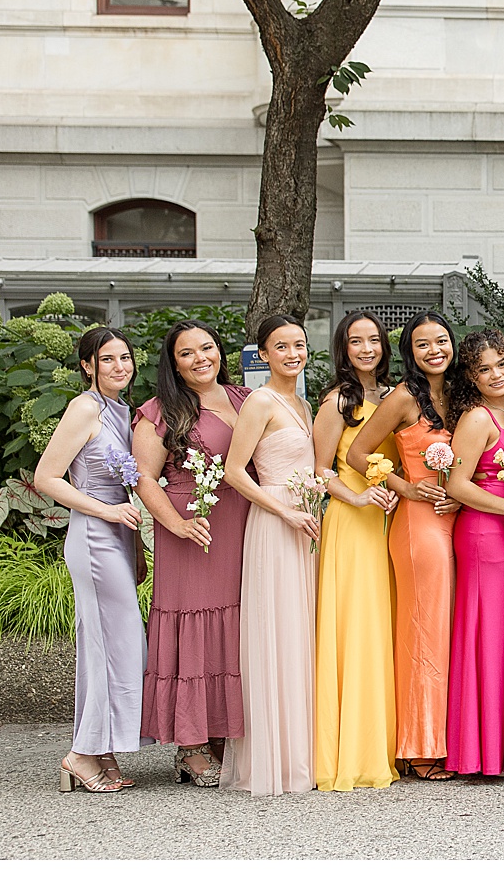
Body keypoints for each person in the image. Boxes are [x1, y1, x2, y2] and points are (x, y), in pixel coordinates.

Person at [132, 319, 253, 786]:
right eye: (188, 352)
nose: (201, 358)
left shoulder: (244, 398)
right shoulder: (161, 410)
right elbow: (144, 476)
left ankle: (222, 731)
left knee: (234, 625)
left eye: (207, 348)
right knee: (195, 621)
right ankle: (191, 745)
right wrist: (177, 524)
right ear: (174, 363)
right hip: (190, 525)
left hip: (241, 520)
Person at [35, 326, 152, 793]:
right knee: (112, 642)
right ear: (88, 365)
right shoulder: (84, 408)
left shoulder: (122, 410)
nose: (119, 366)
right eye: (108, 359)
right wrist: (105, 511)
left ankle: (98, 750)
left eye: (125, 358)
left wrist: (137, 544)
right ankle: (81, 753)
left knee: (118, 644)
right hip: (93, 534)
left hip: (119, 534)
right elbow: (47, 477)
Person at [349, 310, 462, 781]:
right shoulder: (403, 398)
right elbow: (358, 453)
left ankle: (450, 736)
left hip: (459, 519)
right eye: (422, 344)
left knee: (450, 630)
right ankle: (420, 743)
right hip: (419, 525)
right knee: (424, 630)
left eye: (441, 341)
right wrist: (406, 486)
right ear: (409, 353)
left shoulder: (461, 394)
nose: (434, 350)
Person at [220, 315, 320, 796]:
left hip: (305, 519)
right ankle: (273, 760)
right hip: (276, 522)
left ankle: (300, 751)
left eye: (299, 344)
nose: (293, 353)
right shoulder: (260, 400)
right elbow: (235, 472)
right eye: (281, 347)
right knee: (277, 631)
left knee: (300, 632)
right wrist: (285, 511)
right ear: (263, 354)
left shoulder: (302, 402)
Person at [443, 330, 504, 778]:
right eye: (484, 369)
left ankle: (500, 743)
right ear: (471, 376)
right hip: (485, 535)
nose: (496, 374)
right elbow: (457, 485)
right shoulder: (478, 418)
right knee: (486, 639)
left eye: (502, 364)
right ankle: (479, 751)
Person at [312, 310, 401, 791]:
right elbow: (320, 468)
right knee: (357, 631)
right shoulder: (338, 401)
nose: (366, 349)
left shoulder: (393, 396)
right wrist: (358, 496)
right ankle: (351, 752)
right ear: (343, 349)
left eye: (373, 340)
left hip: (389, 521)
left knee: (381, 631)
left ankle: (384, 743)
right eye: (355, 342)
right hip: (352, 520)